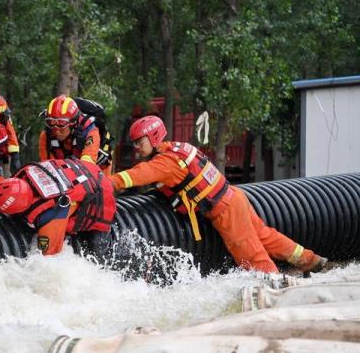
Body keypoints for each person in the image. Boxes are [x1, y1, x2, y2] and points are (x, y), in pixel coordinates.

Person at [111, 115, 327, 273]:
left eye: (140, 142)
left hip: (223, 210)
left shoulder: (165, 162)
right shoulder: (178, 148)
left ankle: (275, 292)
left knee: (251, 256)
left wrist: (104, 184)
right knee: (264, 236)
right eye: (135, 143)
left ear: (154, 137)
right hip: (234, 197)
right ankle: (310, 260)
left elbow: (133, 176)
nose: (136, 147)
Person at [0, 159, 117, 257]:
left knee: (97, 252)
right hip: (82, 169)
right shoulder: (23, 175)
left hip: (101, 193)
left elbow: (50, 258)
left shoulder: (50, 217)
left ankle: (114, 245)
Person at [38, 95, 113, 174]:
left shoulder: (90, 130)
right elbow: (47, 167)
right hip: (68, 164)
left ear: (73, 122)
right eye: (50, 122)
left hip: (99, 164)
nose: (56, 130)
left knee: (103, 184)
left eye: (61, 123)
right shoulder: (46, 135)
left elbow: (87, 165)